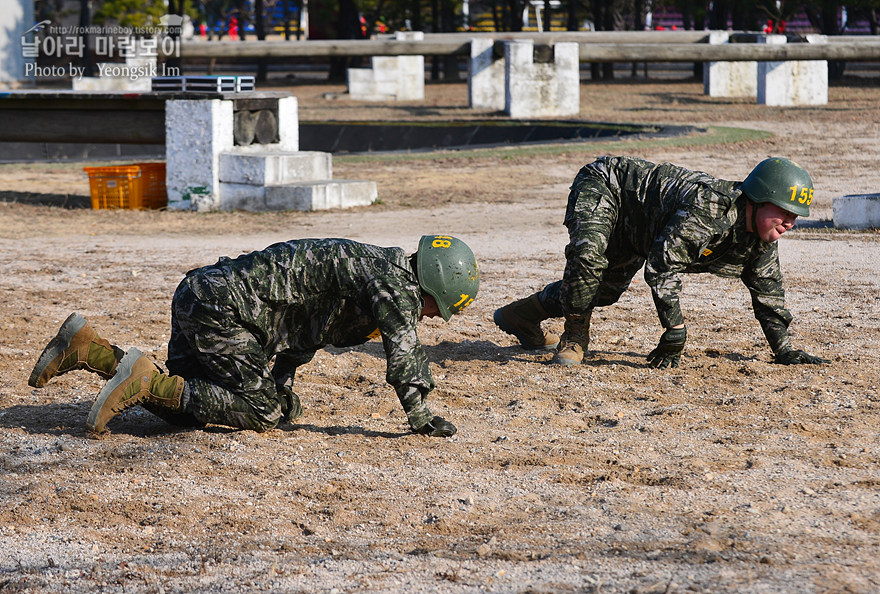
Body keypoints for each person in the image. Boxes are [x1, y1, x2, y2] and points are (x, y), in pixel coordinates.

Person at [29, 236, 480, 437]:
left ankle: (91, 349)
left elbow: (303, 333)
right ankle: (143, 378)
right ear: (431, 285)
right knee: (261, 412)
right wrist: (420, 416)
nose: (428, 318)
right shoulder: (395, 288)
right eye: (433, 309)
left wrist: (282, 382)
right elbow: (404, 354)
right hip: (220, 312)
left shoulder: (372, 270)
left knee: (188, 410)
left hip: (198, 295)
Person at [494, 156, 829, 368]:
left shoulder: (758, 239)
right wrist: (675, 330)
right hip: (608, 186)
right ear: (758, 200)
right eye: (783, 212)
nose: (789, 223)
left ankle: (521, 316)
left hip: (640, 230)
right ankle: (575, 338)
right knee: (588, 256)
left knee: (603, 292)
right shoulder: (710, 209)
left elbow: (768, 294)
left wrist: (783, 348)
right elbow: (663, 267)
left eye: (795, 216)